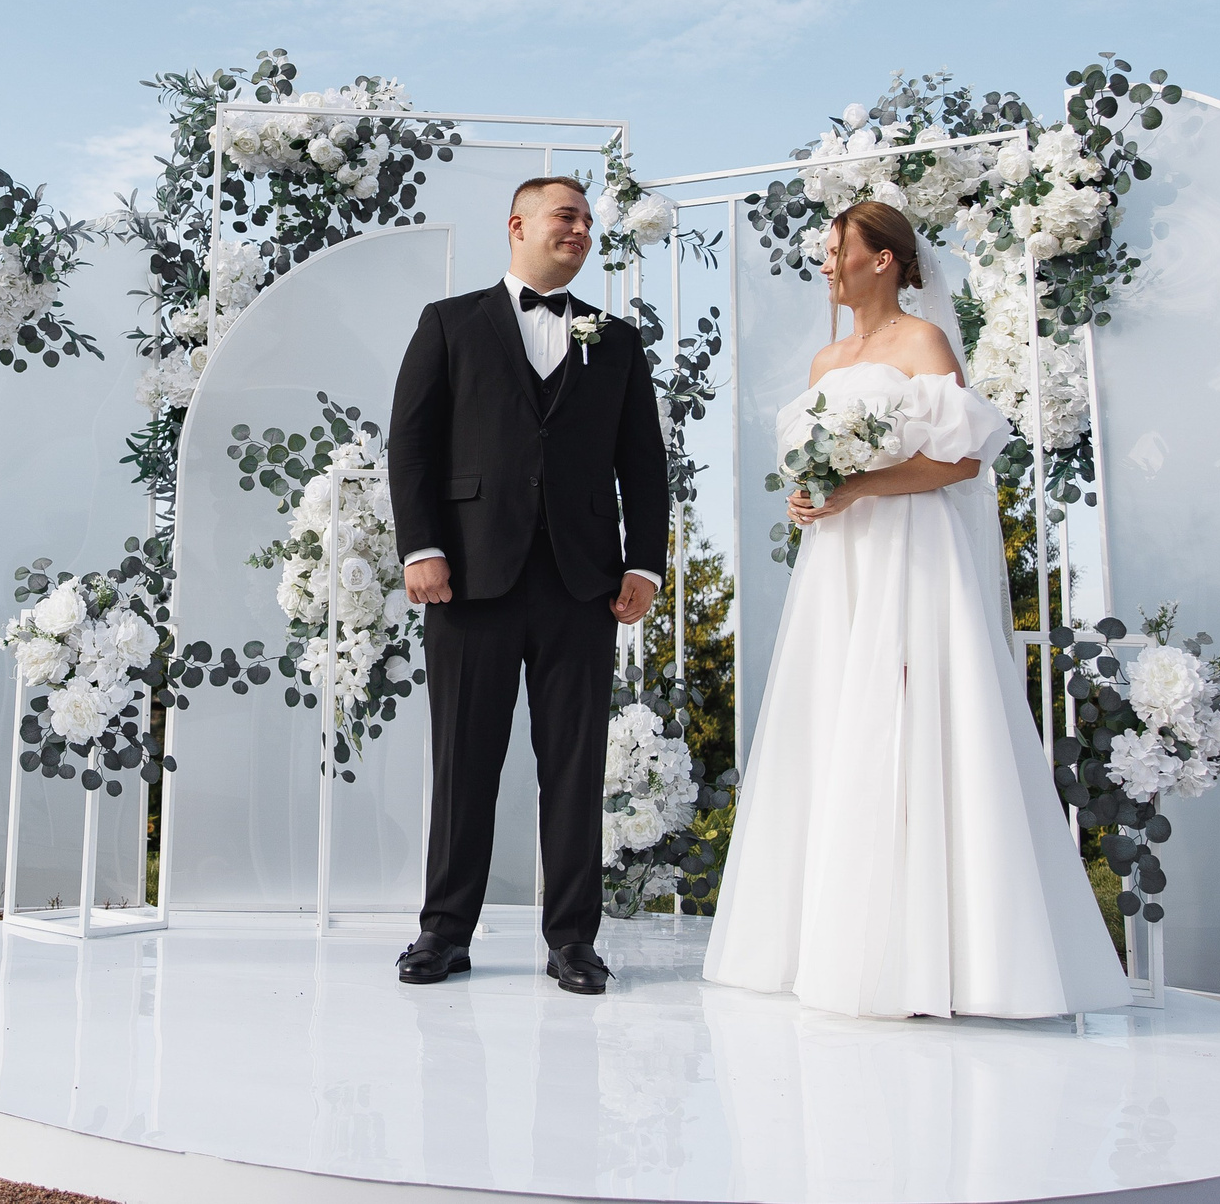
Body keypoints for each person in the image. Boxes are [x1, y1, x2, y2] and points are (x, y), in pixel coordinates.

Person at [700, 200, 1128, 1018]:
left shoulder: (923, 342)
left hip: (911, 549)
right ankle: (829, 942)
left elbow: (961, 462)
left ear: (884, 259)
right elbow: (822, 469)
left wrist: (861, 484)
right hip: (840, 559)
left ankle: (945, 954)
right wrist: (810, 494)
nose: (826, 264)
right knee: (838, 716)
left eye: (838, 249)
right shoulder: (828, 361)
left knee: (917, 715)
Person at [386, 177, 669, 995]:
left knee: (575, 768)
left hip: (583, 583)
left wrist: (644, 563)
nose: (581, 230)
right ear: (518, 225)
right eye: (565, 216)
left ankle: (573, 940)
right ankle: (444, 932)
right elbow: (411, 445)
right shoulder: (449, 323)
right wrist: (422, 547)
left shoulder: (615, 340)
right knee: (463, 762)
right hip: (469, 578)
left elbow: (643, 461)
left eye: (587, 221)